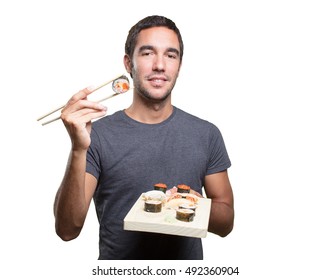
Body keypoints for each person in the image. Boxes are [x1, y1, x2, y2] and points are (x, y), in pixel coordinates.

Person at [54, 15, 234, 260]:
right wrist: (77, 149)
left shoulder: (207, 134)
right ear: (128, 63)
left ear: (179, 65)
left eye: (171, 55)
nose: (160, 65)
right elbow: (67, 230)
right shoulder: (97, 135)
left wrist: (195, 205)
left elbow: (226, 224)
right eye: (148, 53)